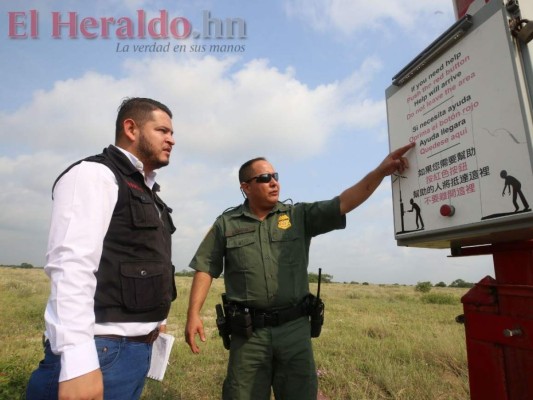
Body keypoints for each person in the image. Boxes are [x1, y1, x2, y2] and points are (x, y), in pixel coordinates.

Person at [184, 142, 415, 400]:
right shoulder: (227, 224)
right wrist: (193, 314)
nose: (274, 182)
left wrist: (380, 172)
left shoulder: (298, 216)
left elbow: (344, 202)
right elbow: (206, 267)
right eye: (264, 178)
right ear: (246, 187)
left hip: (294, 331)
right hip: (248, 336)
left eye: (275, 176)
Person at [26, 97, 177, 400]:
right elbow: (71, 264)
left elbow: (141, 257)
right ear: (131, 128)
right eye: (162, 130)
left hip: (133, 351)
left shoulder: (148, 190)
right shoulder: (95, 175)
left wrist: (154, 322)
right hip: (102, 351)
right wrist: (78, 362)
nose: (171, 140)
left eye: (172, 133)